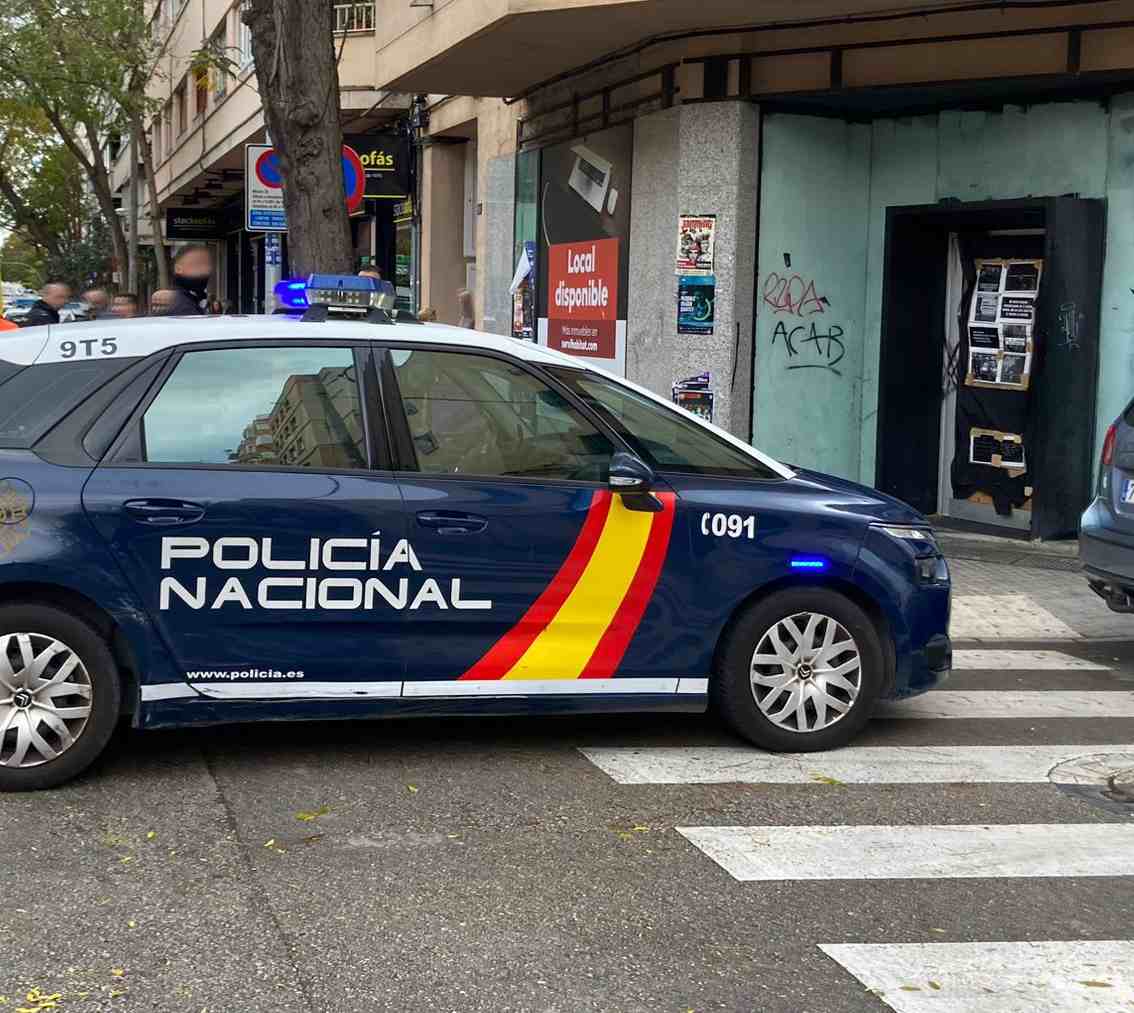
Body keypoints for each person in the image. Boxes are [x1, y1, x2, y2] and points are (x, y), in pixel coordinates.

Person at [167, 244, 213, 314]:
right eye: (198, 264)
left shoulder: (189, 299)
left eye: (207, 265)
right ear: (178, 268)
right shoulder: (183, 306)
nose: (205, 271)